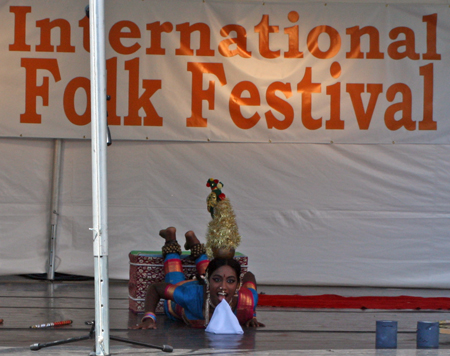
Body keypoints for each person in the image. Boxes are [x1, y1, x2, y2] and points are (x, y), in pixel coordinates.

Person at [132, 227, 265, 330]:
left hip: (206, 283)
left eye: (230, 281)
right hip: (183, 291)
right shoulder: (189, 296)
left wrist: (250, 314)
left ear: (238, 284)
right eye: (217, 280)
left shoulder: (247, 301)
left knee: (215, 271)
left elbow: (249, 276)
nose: (223, 286)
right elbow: (155, 288)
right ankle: (170, 238)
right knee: (175, 273)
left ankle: (194, 243)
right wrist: (149, 317)